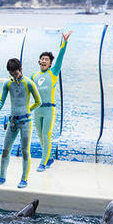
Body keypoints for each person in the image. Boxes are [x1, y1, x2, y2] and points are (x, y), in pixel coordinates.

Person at [0, 58, 41, 188]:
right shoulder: (8, 84)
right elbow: (1, 101)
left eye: (15, 73)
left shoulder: (29, 83)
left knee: (25, 150)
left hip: (25, 122)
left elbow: (39, 102)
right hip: (12, 122)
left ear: (20, 69)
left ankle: (24, 179)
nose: (13, 75)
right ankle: (2, 177)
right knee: (5, 149)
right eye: (11, 73)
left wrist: (28, 111)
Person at [31, 30, 72, 171]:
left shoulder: (53, 73)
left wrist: (64, 42)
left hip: (49, 109)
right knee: (40, 137)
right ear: (39, 61)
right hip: (37, 109)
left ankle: (43, 163)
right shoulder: (34, 75)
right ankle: (48, 158)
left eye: (46, 59)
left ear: (50, 64)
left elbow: (60, 57)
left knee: (46, 135)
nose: (43, 61)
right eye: (42, 59)